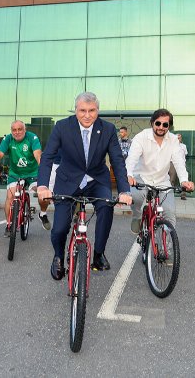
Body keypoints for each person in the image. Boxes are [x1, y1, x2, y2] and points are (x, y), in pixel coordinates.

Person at [38, 92, 132, 279]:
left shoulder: (107, 129)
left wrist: (124, 190)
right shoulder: (62, 127)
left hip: (96, 180)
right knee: (59, 228)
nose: (87, 115)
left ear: (98, 111)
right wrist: (42, 186)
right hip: (67, 180)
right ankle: (58, 256)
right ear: (76, 110)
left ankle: (98, 254)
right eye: (82, 110)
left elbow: (117, 161)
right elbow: (48, 157)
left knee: (106, 207)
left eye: (92, 110)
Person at [126, 109, 194, 233]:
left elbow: (179, 162)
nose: (161, 127)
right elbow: (132, 158)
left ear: (169, 126)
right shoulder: (141, 137)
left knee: (170, 214)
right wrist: (129, 175)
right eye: (158, 123)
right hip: (141, 178)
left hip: (162, 181)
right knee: (136, 197)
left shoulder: (173, 140)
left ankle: (166, 248)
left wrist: (184, 180)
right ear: (152, 123)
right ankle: (137, 217)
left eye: (165, 124)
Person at [0, 121, 50, 234]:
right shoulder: (8, 139)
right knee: (10, 196)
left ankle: (43, 214)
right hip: (15, 174)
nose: (17, 132)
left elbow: (38, 154)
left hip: (33, 173)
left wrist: (43, 172)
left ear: (25, 129)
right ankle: (8, 224)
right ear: (11, 131)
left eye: (20, 129)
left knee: (43, 196)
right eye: (14, 130)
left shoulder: (32, 137)